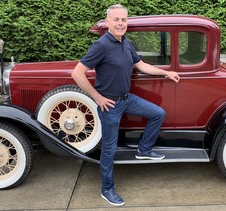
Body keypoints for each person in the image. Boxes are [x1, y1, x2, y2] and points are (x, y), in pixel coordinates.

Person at [71, 4, 180, 206]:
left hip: (127, 98)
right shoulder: (101, 45)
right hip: (109, 105)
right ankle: (107, 189)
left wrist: (166, 72)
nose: (120, 23)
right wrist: (97, 97)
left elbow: (141, 65)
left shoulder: (125, 43)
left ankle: (144, 150)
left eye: (123, 20)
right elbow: (77, 73)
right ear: (108, 22)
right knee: (110, 149)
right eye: (116, 20)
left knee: (158, 113)